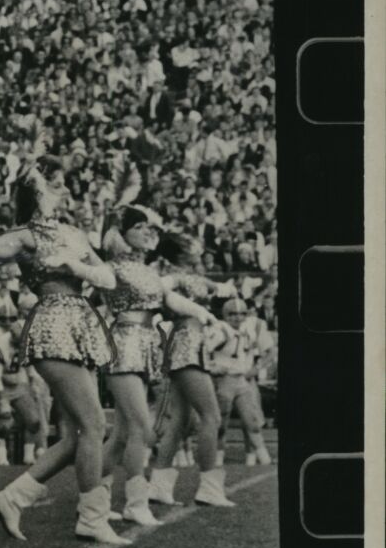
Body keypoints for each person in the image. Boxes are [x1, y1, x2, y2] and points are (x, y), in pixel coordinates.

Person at [0, 159, 123, 543]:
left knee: (76, 434)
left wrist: (75, 264)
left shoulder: (72, 232)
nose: (64, 188)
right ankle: (91, 517)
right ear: (36, 192)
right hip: (53, 324)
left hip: (81, 324)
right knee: (94, 425)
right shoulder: (25, 235)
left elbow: (108, 278)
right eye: (53, 182)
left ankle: (13, 497)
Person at [100, 205, 219, 526]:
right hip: (123, 343)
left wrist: (204, 313)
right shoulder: (112, 267)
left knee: (123, 435)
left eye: (148, 227)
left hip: (146, 346)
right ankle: (136, 503)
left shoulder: (150, 270)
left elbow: (170, 300)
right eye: (139, 227)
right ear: (121, 233)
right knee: (141, 427)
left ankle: (92, 502)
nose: (148, 232)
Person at [148, 231, 234, 508]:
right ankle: (209, 487)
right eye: (191, 245)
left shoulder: (192, 277)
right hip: (187, 345)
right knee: (211, 416)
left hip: (189, 346)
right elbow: (159, 287)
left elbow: (223, 288)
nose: (198, 248)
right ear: (181, 253)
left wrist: (225, 289)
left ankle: (159, 486)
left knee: (181, 420)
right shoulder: (175, 276)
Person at [211, 297, 273, 465]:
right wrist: (212, 367)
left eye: (241, 314)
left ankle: (262, 458)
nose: (237, 317)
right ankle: (218, 456)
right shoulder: (219, 329)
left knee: (251, 420)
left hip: (242, 380)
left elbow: (268, 351)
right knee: (221, 422)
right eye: (232, 314)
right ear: (225, 315)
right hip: (224, 380)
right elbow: (202, 350)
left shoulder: (251, 327)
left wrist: (256, 368)